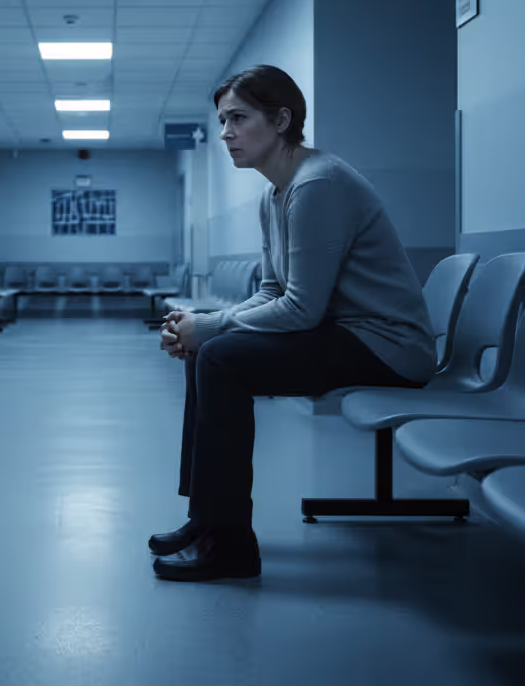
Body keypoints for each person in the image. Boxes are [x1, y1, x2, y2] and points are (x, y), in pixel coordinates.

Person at [151, 65, 438, 582]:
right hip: (342, 332)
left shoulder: (317, 184)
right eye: (221, 121)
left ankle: (232, 547)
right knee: (207, 350)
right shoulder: (274, 193)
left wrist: (210, 326)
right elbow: (272, 290)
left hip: (388, 345)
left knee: (219, 355)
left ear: (281, 120)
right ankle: (207, 519)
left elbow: (302, 308)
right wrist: (205, 326)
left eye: (238, 119)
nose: (226, 134)